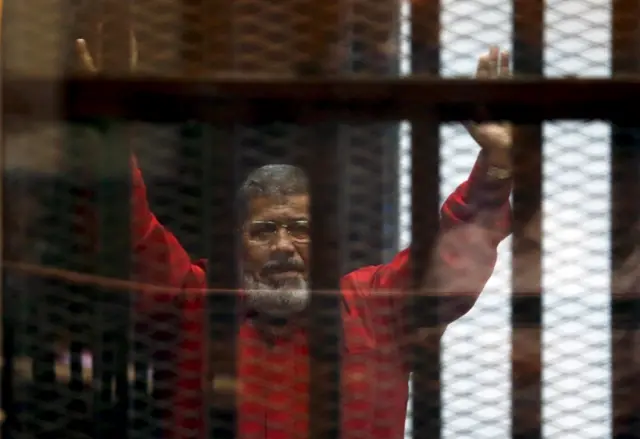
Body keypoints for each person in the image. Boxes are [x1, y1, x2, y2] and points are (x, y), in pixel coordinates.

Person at [77, 37, 513, 439]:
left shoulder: (376, 307)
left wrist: (497, 160)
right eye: (265, 230)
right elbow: (130, 238)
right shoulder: (194, 303)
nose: (284, 246)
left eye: (301, 230)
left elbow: (452, 257)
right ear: (237, 243)